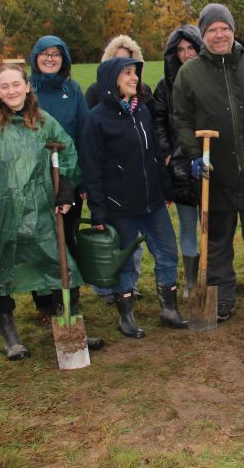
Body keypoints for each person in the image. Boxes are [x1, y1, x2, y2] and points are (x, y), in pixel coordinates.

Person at [0, 64, 89, 361]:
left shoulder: (43, 122)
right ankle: (11, 339)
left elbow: (65, 151)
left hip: (40, 213)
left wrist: (64, 188)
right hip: (0, 214)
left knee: (62, 267)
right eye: (5, 86)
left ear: (28, 86)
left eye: (17, 84)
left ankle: (70, 327)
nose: (12, 91)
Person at [172, 3, 244, 322]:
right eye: (212, 30)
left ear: (233, 31)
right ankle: (223, 300)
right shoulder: (190, 73)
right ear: (203, 36)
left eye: (224, 28)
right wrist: (193, 156)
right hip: (215, 174)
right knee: (217, 244)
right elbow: (182, 119)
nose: (220, 35)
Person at [79, 56, 188, 337]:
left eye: (135, 73)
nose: (134, 78)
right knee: (125, 261)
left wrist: (165, 189)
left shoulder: (142, 111)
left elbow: (153, 155)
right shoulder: (96, 119)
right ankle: (126, 318)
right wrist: (99, 211)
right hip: (120, 206)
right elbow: (92, 169)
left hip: (152, 202)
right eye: (127, 73)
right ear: (111, 79)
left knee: (167, 253)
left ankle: (169, 310)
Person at [27, 36, 91, 326]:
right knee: (40, 239)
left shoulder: (73, 90)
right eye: (45, 54)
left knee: (68, 237)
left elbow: (84, 134)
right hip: (34, 179)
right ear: (36, 58)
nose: (51, 59)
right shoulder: (27, 89)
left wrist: (83, 180)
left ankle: (68, 297)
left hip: (70, 175)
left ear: (64, 59)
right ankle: (44, 303)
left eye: (56, 54)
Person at [84, 35, 150, 301]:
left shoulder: (142, 95)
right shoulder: (95, 94)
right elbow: (92, 138)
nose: (126, 70)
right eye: (118, 61)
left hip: (136, 179)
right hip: (111, 180)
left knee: (133, 240)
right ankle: (106, 286)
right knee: (111, 237)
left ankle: (129, 285)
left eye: (130, 63)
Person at [152, 26, 204, 294]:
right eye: (180, 50)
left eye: (190, 48)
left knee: (212, 225)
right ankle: (192, 282)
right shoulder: (165, 87)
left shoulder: (211, 78)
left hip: (208, 162)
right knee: (187, 224)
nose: (186, 54)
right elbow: (159, 120)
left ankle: (213, 275)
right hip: (181, 165)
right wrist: (167, 152)